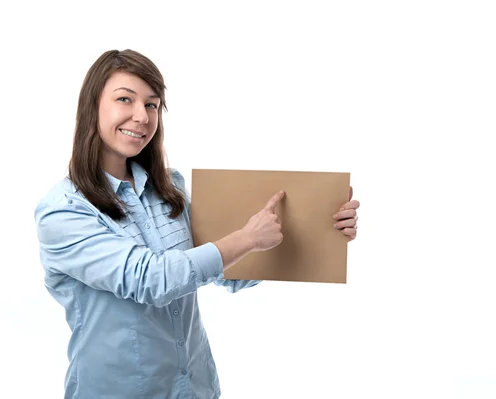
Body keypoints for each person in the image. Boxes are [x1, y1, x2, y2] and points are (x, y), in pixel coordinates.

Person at [34, 49, 360, 399]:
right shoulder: (63, 212)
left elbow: (224, 271)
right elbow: (151, 279)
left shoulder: (168, 189)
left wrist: (321, 228)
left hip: (194, 387)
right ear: (92, 107)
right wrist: (247, 239)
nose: (141, 116)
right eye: (125, 99)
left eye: (152, 105)